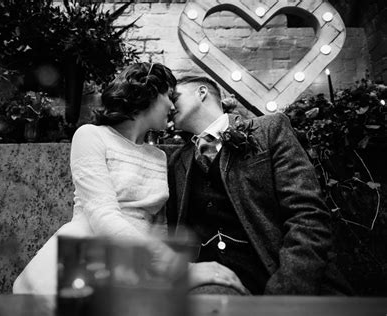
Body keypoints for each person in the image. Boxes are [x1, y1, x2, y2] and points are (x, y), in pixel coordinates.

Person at [13, 63, 246, 294]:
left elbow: (159, 226)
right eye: (169, 95)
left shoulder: (158, 156)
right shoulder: (91, 136)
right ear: (152, 93)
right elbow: (103, 215)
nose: (173, 105)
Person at [167, 75, 352, 295]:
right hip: (214, 286)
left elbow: (308, 214)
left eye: (174, 97)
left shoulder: (269, 130)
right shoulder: (178, 160)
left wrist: (286, 289)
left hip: (279, 275)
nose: (169, 106)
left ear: (202, 92)